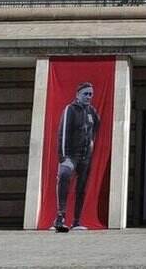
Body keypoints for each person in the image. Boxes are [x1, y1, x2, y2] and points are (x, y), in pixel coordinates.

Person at [52, 81, 100, 232]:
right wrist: (63, 156)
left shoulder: (92, 111)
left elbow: (95, 128)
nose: (88, 97)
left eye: (90, 94)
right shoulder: (70, 109)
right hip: (71, 155)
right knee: (64, 175)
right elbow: (63, 132)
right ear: (78, 94)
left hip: (85, 156)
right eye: (85, 94)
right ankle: (60, 217)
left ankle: (77, 221)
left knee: (81, 187)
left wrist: (91, 143)